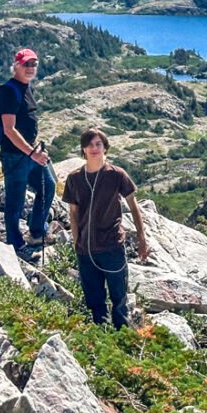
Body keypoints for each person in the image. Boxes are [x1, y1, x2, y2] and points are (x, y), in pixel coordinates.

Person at [62, 127, 149, 330]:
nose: (94, 148)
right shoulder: (74, 178)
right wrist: (77, 242)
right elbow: (73, 214)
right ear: (83, 149)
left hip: (112, 246)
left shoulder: (116, 175)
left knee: (119, 300)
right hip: (86, 249)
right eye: (90, 144)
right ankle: (101, 338)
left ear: (105, 148)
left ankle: (122, 338)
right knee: (95, 301)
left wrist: (142, 240)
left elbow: (134, 208)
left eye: (98, 144)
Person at [0, 47, 56, 261]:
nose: (30, 68)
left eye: (34, 64)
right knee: (15, 201)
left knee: (48, 185)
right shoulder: (9, 91)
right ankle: (14, 242)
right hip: (15, 156)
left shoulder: (26, 87)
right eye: (26, 64)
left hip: (30, 153)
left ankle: (36, 230)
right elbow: (9, 129)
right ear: (16, 66)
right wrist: (32, 153)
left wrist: (36, 150)